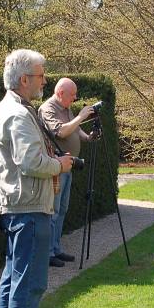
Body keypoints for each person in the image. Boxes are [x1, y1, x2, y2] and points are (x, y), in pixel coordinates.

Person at [0, 49, 73, 308]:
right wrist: (60, 165)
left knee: (12, 283)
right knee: (28, 286)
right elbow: (30, 162)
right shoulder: (18, 114)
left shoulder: (10, 109)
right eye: (40, 75)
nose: (44, 81)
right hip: (28, 209)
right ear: (23, 79)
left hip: (20, 208)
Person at [38, 78, 95, 267]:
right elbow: (61, 132)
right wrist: (81, 116)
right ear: (61, 93)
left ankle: (56, 248)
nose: (75, 98)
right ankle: (46, 254)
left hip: (68, 166)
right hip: (56, 168)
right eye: (72, 95)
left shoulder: (65, 107)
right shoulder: (48, 109)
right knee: (52, 211)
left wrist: (88, 137)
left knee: (62, 210)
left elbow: (74, 128)